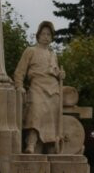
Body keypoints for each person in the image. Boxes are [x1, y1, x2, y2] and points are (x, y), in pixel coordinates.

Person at [13, 20, 64, 154]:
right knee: (35, 112)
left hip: (53, 89)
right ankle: (31, 143)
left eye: (49, 34)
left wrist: (61, 75)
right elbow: (19, 71)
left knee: (51, 118)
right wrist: (19, 86)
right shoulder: (30, 51)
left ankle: (50, 144)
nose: (46, 37)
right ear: (38, 35)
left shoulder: (53, 55)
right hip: (37, 86)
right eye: (43, 34)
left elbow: (56, 72)